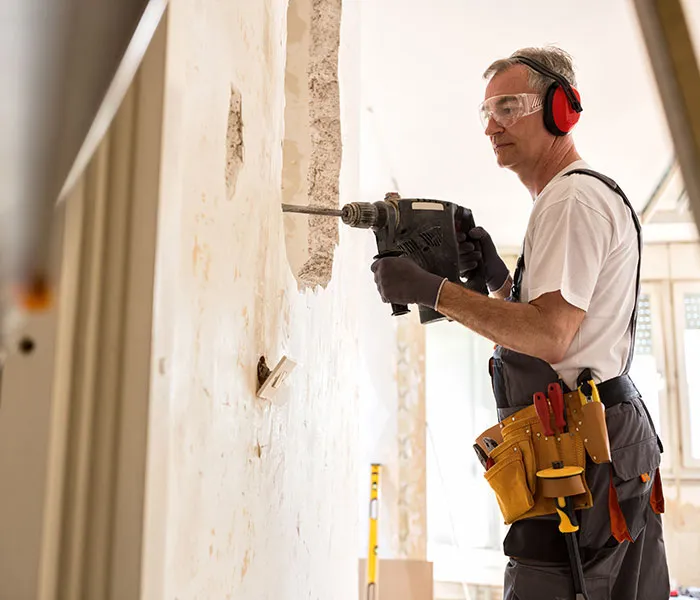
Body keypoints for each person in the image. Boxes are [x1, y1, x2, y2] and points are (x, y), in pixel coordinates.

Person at [371, 46, 670, 599]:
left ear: (561, 109)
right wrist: (496, 278)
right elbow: (561, 326)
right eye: (487, 113)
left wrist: (429, 289)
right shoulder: (566, 198)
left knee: (558, 584)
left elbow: (550, 336)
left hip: (582, 442)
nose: (492, 126)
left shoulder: (573, 199)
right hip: (590, 436)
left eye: (509, 107)